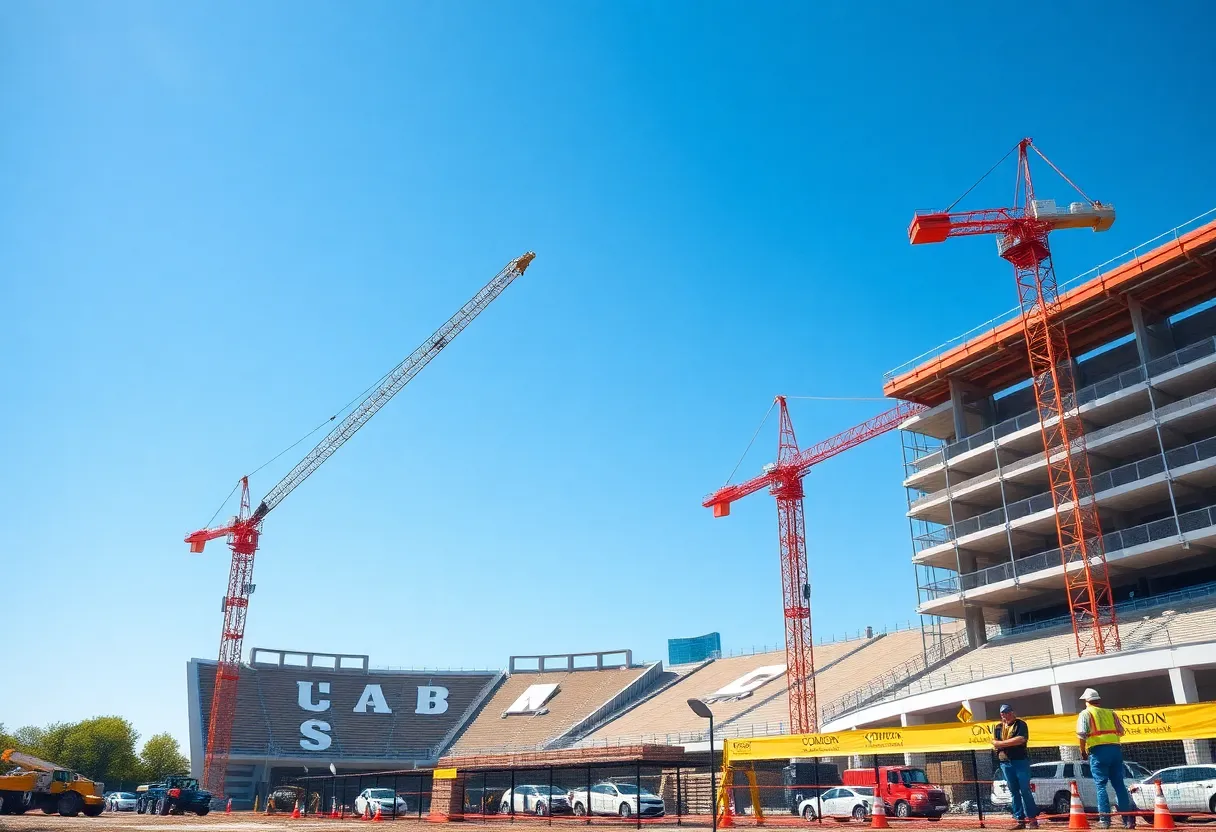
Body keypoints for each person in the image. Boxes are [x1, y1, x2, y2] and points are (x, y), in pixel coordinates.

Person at [1077, 688, 1135, 829]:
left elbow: (1081, 734)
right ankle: (1127, 820)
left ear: (1087, 701)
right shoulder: (1111, 713)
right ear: (1098, 700)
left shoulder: (1085, 713)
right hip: (1115, 750)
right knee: (1119, 785)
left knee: (1101, 785)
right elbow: (1121, 732)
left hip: (1098, 751)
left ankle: (1105, 820)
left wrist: (1083, 751)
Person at [993, 704, 1039, 830]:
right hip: (1005, 762)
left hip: (1020, 761)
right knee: (1013, 791)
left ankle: (1032, 819)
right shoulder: (998, 727)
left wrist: (1002, 744)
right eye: (1003, 713)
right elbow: (994, 742)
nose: (1006, 715)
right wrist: (1001, 744)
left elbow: (1020, 739)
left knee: (1025, 790)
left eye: (1008, 713)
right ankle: (1020, 819)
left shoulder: (1020, 724)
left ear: (1012, 713)